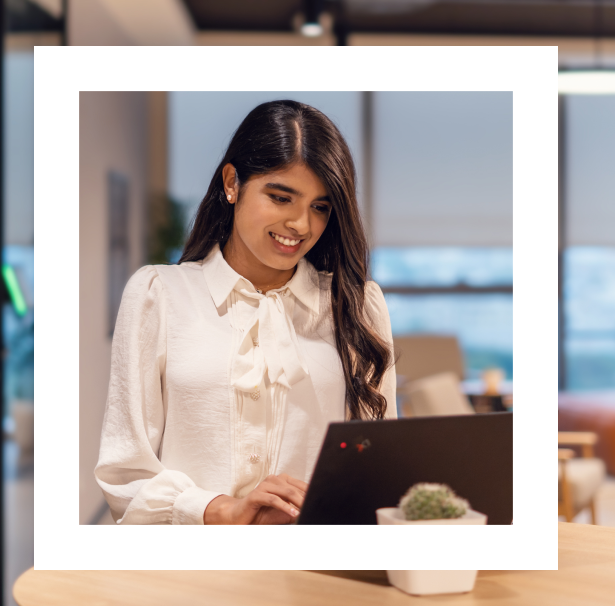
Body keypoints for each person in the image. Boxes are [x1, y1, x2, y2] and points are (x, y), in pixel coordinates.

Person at [95, 99, 396, 525]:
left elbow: (377, 471)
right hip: (195, 574)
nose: (301, 225)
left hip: (313, 574)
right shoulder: (158, 295)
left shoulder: (358, 306)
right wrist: (222, 511)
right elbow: (125, 475)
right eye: (281, 196)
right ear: (232, 183)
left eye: (320, 206)